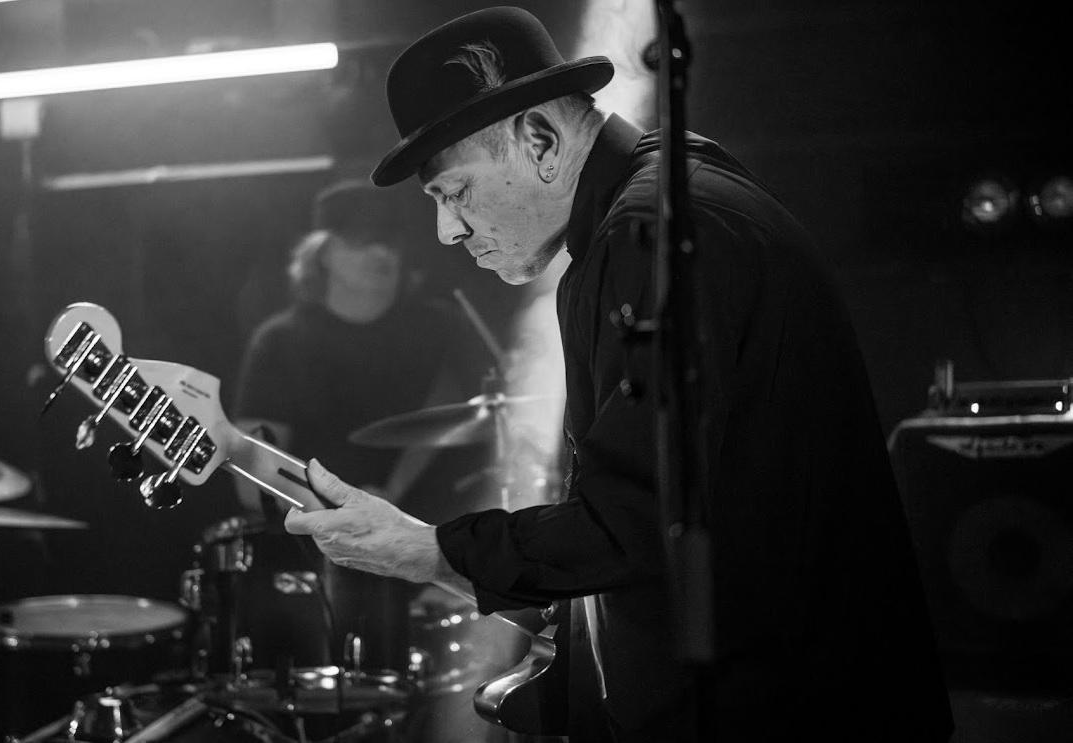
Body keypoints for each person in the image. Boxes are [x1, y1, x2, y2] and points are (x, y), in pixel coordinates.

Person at [284, 7, 954, 742]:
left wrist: (425, 549)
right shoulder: (669, 197)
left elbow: (630, 521)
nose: (448, 230)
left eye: (456, 192)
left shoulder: (652, 235)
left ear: (539, 142)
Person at [229, 178, 500, 719]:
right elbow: (250, 476)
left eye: (391, 240)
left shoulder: (444, 329)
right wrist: (344, 512)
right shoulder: (281, 340)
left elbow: (506, 436)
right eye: (363, 240)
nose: (383, 253)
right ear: (324, 251)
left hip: (444, 562)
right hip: (323, 563)